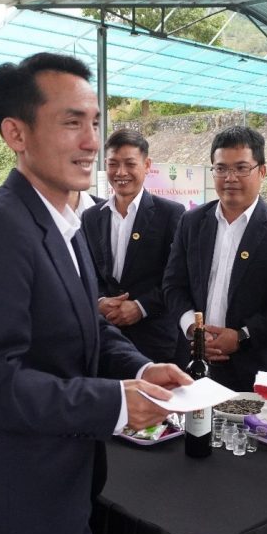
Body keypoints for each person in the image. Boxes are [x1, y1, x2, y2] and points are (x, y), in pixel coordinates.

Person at [0, 52, 190, 534]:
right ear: (16, 133)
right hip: (20, 507)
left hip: (60, 492)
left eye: (94, 122)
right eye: (71, 122)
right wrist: (116, 403)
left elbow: (85, 328)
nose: (91, 141)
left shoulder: (63, 223)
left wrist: (142, 368)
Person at [163, 126, 267, 393]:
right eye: (221, 168)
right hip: (195, 363)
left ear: (262, 171)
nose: (230, 178)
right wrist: (194, 329)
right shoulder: (191, 222)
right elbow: (173, 284)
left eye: (241, 168)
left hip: (254, 368)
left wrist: (241, 336)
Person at [82, 129, 186, 363]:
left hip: (155, 341)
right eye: (113, 164)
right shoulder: (91, 217)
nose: (121, 172)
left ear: (147, 165)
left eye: (130, 164)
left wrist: (141, 306)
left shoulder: (170, 214)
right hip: (106, 338)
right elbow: (88, 272)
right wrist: (100, 302)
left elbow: (177, 277)